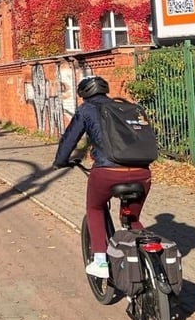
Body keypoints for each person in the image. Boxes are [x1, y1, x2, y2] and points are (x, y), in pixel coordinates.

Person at [52, 76, 152, 279]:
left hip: (108, 172)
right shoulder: (125, 108)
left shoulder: (86, 110)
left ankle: (99, 261)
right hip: (143, 172)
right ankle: (148, 259)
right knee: (132, 218)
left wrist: (61, 161)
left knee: (95, 209)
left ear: (83, 93)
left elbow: (70, 139)